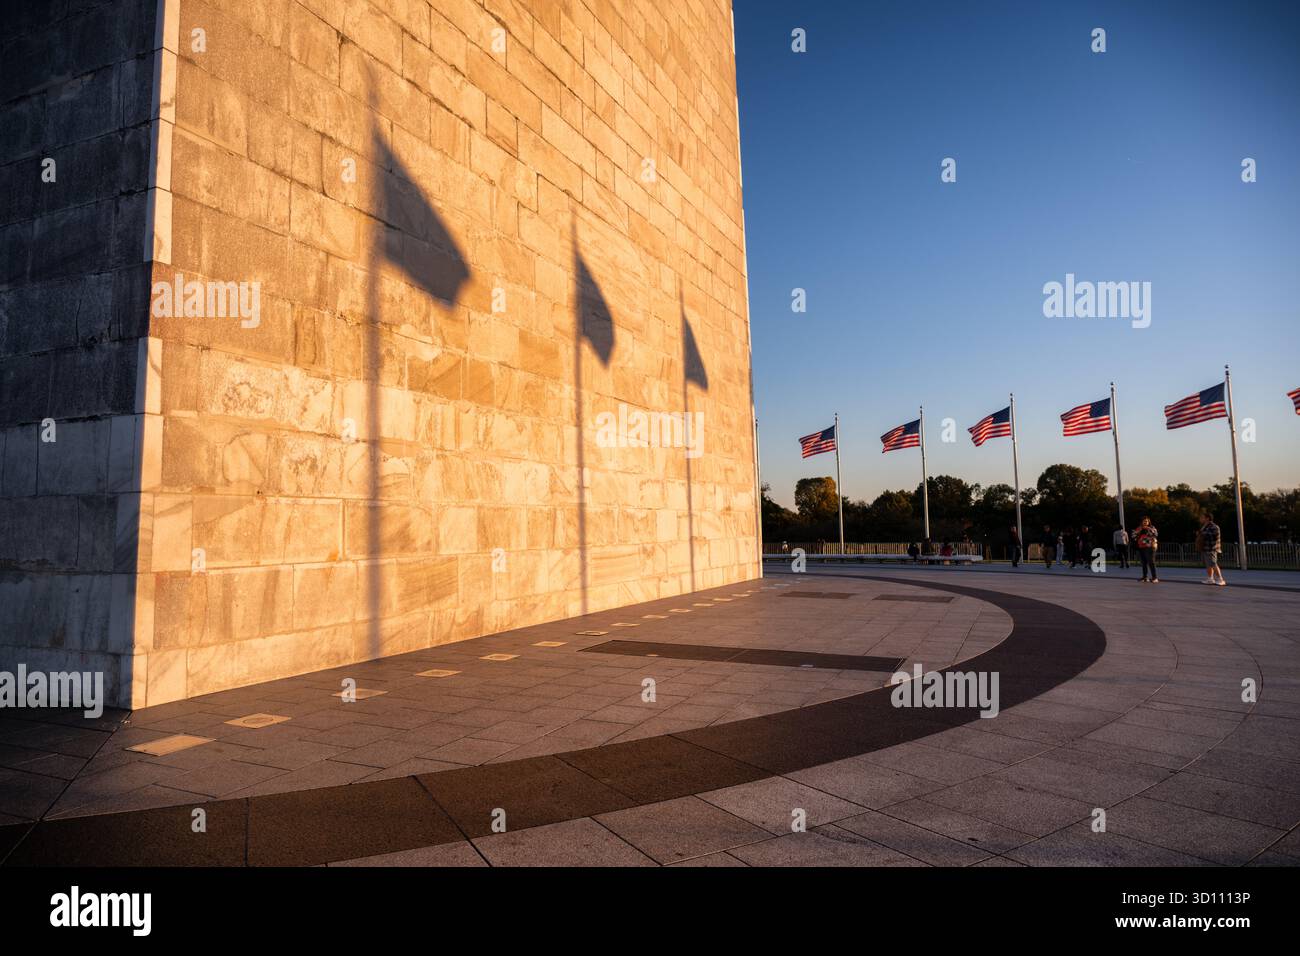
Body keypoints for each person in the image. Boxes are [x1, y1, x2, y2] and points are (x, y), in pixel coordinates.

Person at [1199, 513, 1226, 586]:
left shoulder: (1214, 526)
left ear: (1207, 518)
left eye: (1202, 517)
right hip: (1205, 548)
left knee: (1213, 563)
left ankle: (1220, 579)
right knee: (1208, 565)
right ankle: (1210, 579)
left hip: (1211, 548)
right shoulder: (1205, 526)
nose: (1200, 519)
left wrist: (1203, 533)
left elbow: (1215, 536)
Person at [1133, 516, 1159, 583]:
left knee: (1151, 562)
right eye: (1144, 521)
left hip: (1150, 546)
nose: (1145, 522)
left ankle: (1154, 577)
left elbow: (1156, 534)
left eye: (1146, 521)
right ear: (1142, 522)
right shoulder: (1139, 528)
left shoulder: (1152, 527)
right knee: (1144, 562)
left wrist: (1148, 530)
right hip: (1142, 547)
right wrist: (1139, 533)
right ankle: (1145, 577)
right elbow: (1133, 536)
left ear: (1149, 522)